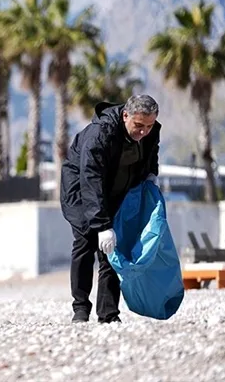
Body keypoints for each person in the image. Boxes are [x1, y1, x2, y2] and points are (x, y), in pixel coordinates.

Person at [60, 94, 161, 324]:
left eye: (149, 126)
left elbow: (150, 153)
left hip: (117, 190)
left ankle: (108, 314)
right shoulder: (100, 134)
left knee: (113, 250)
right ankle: (80, 308)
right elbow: (91, 178)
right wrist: (102, 225)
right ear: (125, 116)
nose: (144, 131)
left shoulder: (150, 130)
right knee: (86, 241)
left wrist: (151, 174)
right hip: (81, 191)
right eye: (139, 125)